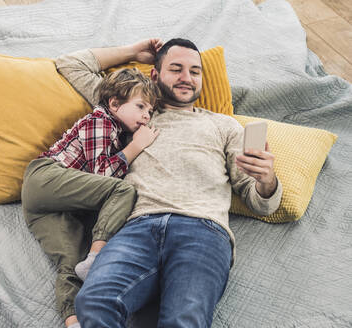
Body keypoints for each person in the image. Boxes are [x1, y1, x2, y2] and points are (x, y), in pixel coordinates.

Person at [54, 38, 283, 328]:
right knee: (93, 301)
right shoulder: (133, 110)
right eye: (176, 69)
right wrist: (133, 53)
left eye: (195, 71)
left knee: (183, 320)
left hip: (202, 230)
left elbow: (260, 202)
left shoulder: (224, 125)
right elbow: (70, 64)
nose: (187, 78)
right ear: (154, 74)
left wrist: (266, 179)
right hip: (137, 227)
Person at [21, 67, 161, 328]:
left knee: (71, 263)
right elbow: (103, 175)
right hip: (44, 178)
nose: (146, 115)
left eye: (150, 112)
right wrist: (136, 146)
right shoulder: (102, 120)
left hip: (49, 207)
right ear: (114, 104)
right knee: (123, 191)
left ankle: (72, 322)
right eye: (141, 106)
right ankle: (98, 257)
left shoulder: (117, 132)